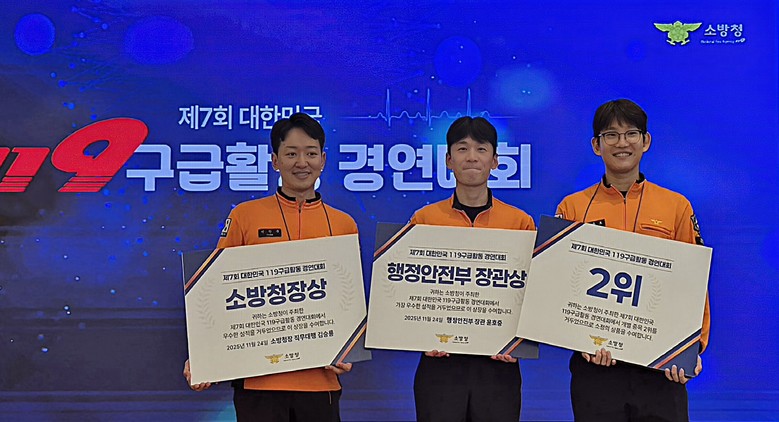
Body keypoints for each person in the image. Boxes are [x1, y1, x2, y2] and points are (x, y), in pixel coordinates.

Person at [182, 113, 356, 422]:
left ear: (323, 160)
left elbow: (347, 300)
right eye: (291, 154)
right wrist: (202, 355)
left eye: (311, 153)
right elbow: (217, 290)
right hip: (257, 381)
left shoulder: (343, 224)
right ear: (275, 160)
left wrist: (348, 348)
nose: (301, 162)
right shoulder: (245, 216)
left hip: (320, 382)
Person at [555, 99, 710, 421]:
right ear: (596, 145)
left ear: (645, 141)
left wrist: (692, 348)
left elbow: (694, 284)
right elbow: (557, 284)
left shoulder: (676, 206)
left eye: (631, 134)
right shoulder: (572, 207)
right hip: (596, 363)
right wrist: (577, 339)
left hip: (661, 365)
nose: (621, 143)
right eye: (611, 135)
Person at [409, 116, 535, 422]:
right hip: (440, 363)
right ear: (449, 160)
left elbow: (532, 295)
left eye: (481, 149)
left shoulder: (520, 223)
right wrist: (420, 336)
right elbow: (407, 291)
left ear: (495, 160)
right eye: (462, 149)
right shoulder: (424, 220)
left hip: (498, 364)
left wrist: (518, 342)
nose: (472, 157)